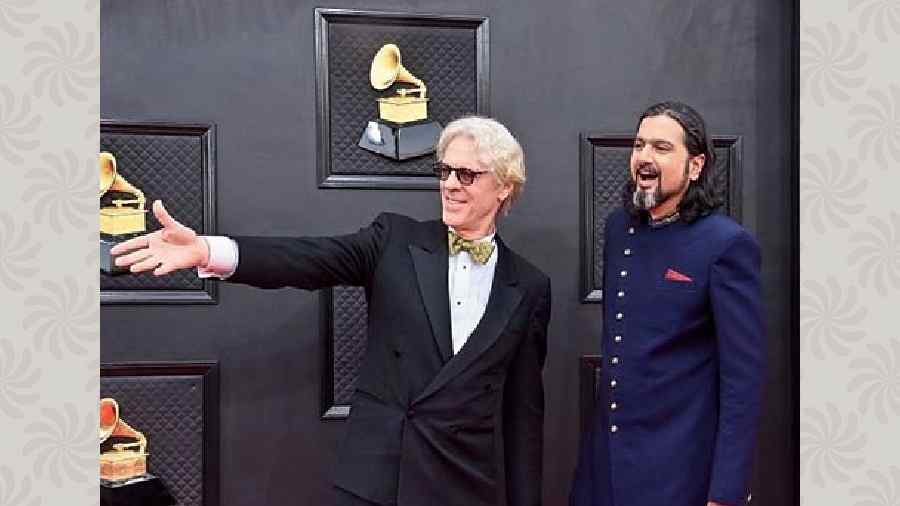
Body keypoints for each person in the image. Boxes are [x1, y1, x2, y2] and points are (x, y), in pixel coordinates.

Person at [111, 116, 551, 506]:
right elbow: (307, 258)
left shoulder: (528, 287)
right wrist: (208, 250)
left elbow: (522, 418)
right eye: (444, 170)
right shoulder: (394, 240)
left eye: (467, 174)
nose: (450, 184)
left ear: (504, 186)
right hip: (379, 477)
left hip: (463, 486)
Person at [569, 101, 765, 506]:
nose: (643, 157)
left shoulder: (726, 245)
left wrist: (726, 491)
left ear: (695, 166)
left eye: (661, 148)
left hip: (679, 467)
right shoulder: (618, 229)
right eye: (639, 145)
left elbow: (742, 382)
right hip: (605, 462)